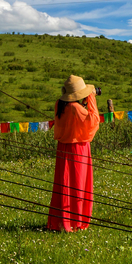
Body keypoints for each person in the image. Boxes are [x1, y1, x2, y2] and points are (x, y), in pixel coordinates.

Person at [47, 75, 102, 232]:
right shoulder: (75, 108)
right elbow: (93, 121)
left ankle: (61, 221)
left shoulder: (60, 104)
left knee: (64, 183)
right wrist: (91, 99)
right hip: (78, 148)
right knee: (78, 184)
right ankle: (75, 221)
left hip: (63, 148)